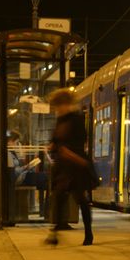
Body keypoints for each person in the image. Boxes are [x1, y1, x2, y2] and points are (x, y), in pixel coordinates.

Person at [45, 89, 94, 246]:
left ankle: (88, 233)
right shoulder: (60, 120)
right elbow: (56, 141)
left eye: (58, 106)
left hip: (76, 165)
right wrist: (52, 146)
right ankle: (54, 233)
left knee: (81, 199)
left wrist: (68, 151)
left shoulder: (77, 119)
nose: (57, 110)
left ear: (66, 104)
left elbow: (82, 141)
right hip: (63, 167)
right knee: (58, 197)